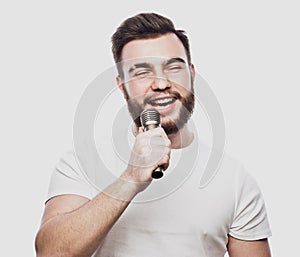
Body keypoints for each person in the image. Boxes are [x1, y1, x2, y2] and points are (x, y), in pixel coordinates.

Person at [35, 13, 272, 257]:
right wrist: (131, 178)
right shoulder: (82, 162)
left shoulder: (234, 179)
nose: (161, 83)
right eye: (141, 72)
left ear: (191, 73)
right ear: (122, 84)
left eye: (173, 67)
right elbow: (51, 253)